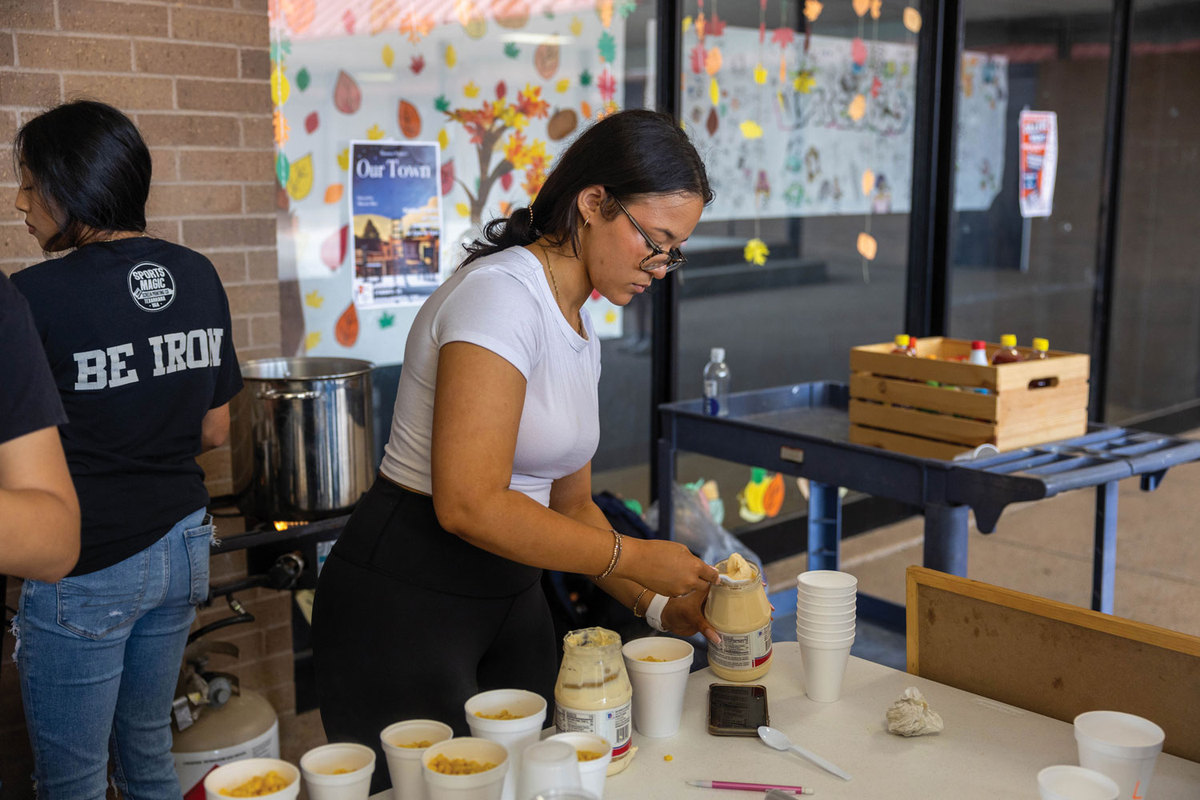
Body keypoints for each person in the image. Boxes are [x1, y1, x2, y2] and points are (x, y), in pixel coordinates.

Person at [312, 108, 718, 792]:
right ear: (594, 202)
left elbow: (573, 506)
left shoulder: (578, 324)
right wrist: (638, 554)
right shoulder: (501, 297)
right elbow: (468, 504)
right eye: (656, 240)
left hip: (509, 594)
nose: (662, 266)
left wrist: (655, 606)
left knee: (538, 779)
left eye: (674, 251)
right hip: (406, 595)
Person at [10, 100, 243, 799]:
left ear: (71, 186)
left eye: (28, 182)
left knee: (73, 782)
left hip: (89, 564)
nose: (19, 202)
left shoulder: (28, 298)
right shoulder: (197, 273)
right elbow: (214, 430)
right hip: (183, 548)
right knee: (148, 755)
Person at [0, 272, 80, 581]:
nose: (26, 219)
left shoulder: (33, 289)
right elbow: (214, 431)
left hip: (92, 556)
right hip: (184, 517)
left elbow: (57, 541)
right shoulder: (197, 272)